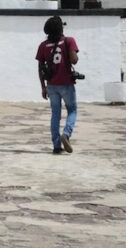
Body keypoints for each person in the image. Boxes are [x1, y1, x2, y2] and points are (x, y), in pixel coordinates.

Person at [36, 16, 79, 155]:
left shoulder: (43, 46)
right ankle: (66, 134)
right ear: (61, 28)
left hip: (52, 85)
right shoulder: (68, 41)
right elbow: (74, 60)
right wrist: (74, 54)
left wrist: (43, 87)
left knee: (55, 115)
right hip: (66, 83)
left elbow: (40, 68)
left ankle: (56, 145)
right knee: (72, 110)